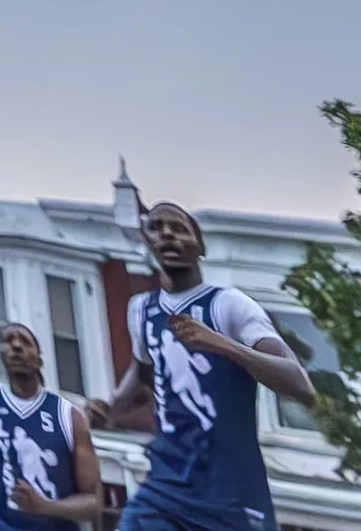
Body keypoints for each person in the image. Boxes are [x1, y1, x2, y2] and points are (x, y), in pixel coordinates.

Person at [90, 202, 315, 531]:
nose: (167, 232)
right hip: (166, 484)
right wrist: (107, 409)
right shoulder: (142, 310)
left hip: (229, 492)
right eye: (157, 226)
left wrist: (220, 344)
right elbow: (142, 379)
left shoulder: (228, 305)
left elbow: (300, 386)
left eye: (179, 227)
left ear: (200, 246)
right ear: (147, 241)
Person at [0, 321, 100, 531]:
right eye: (8, 340)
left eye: (25, 342)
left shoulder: (69, 415)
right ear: (1, 354)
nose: (16, 346)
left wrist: (44, 506)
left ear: (39, 360)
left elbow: (93, 504)